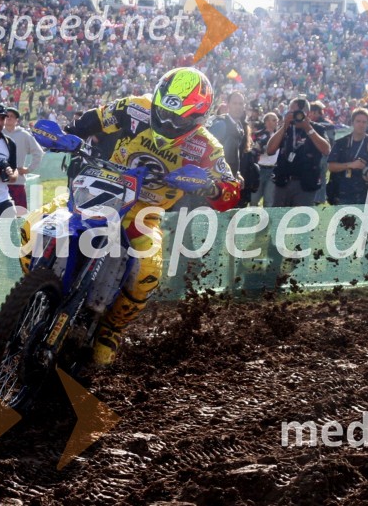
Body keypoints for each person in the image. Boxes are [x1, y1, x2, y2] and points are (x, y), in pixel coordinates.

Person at [22, 67, 241, 366]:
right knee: (32, 225)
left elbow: (231, 191)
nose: (165, 120)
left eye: (176, 118)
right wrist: (67, 135)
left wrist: (212, 186)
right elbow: (94, 119)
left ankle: (110, 329)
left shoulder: (206, 147)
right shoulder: (135, 106)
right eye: (162, 111)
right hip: (99, 190)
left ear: (197, 117)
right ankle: (32, 299)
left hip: (143, 213)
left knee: (148, 270)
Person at [266, 98, 331, 207]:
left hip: (305, 183)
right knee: (278, 219)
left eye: (297, 112)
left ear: (307, 114)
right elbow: (270, 150)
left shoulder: (317, 129)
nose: (294, 115)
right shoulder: (286, 128)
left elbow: (326, 150)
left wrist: (308, 128)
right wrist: (284, 126)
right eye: (291, 112)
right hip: (283, 182)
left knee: (301, 221)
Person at [327, 108, 368, 205]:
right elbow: (331, 166)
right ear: (352, 122)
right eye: (358, 121)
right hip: (344, 192)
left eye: (364, 122)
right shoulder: (341, 143)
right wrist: (350, 165)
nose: (361, 124)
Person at [3, 106, 44, 210]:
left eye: (12, 116)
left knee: (19, 214)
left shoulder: (24, 135)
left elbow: (38, 152)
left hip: (17, 182)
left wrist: (28, 169)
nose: (9, 118)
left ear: (17, 120)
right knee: (0, 217)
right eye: (6, 116)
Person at [250, 112, 279, 207]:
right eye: (274, 120)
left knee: (269, 200)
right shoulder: (258, 134)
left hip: (273, 170)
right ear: (267, 121)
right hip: (259, 169)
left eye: (276, 120)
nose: (276, 122)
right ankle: (252, 219)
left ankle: (267, 221)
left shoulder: (279, 135)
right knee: (254, 199)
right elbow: (252, 149)